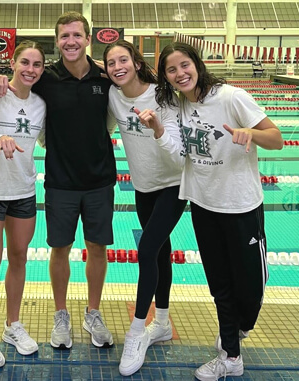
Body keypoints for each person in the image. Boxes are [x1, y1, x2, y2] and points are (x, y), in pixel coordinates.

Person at [156, 42, 283, 381]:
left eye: (185, 65)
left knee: (250, 287)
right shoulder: (180, 104)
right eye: (172, 69)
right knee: (219, 283)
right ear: (166, 77)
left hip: (241, 206)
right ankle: (230, 353)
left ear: (196, 65)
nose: (180, 73)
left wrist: (251, 133)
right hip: (203, 203)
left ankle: (239, 327)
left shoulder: (231, 97)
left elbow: (276, 138)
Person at [0, 11, 116, 350]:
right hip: (60, 180)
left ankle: (93, 311)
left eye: (77, 35)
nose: (71, 42)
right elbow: (17, 85)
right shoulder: (45, 78)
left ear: (88, 39)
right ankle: (61, 314)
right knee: (59, 248)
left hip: (100, 178)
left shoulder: (105, 78)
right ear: (57, 41)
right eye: (65, 36)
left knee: (97, 248)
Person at [102, 40, 186, 376]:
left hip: (173, 185)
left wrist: (158, 129)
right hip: (143, 187)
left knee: (147, 249)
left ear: (137, 63)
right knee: (160, 253)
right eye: (111, 63)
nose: (118, 67)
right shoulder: (113, 96)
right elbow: (103, 127)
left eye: (124, 60)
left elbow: (181, 154)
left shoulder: (163, 97)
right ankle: (162, 323)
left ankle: (137, 331)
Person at [0, 40, 47, 368]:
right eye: (25, 62)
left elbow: (48, 139)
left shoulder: (43, 104)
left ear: (43, 69)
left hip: (24, 191)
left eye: (37, 65)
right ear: (12, 62)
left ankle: (12, 325)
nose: (30, 69)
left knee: (18, 259)